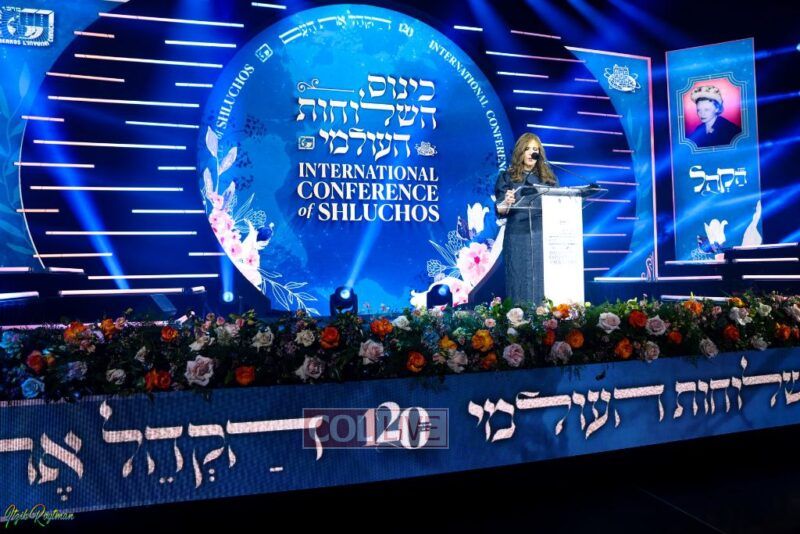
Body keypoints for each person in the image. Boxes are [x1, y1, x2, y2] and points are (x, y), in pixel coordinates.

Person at [494, 132, 559, 306]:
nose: (531, 153)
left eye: (535, 149)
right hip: (517, 235)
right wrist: (506, 202)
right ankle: (519, 317)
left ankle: (545, 318)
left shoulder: (548, 179)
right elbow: (500, 209)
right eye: (527, 149)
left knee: (543, 280)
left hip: (543, 235)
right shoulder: (507, 177)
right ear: (520, 152)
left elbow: (558, 203)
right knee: (519, 280)